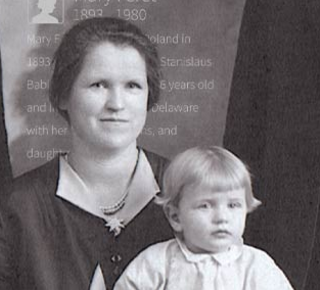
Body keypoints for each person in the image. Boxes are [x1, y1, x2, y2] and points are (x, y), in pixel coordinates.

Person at [0, 17, 172, 289]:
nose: (116, 104)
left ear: (149, 96)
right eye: (98, 85)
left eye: (132, 86)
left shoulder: (192, 189)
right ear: (62, 96)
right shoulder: (17, 206)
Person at [114, 146, 294, 290]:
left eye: (233, 205)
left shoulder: (255, 266)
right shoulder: (157, 263)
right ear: (175, 217)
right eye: (205, 206)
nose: (222, 217)